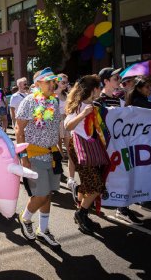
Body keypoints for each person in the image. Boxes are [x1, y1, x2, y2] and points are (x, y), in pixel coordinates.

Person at [15, 68, 62, 247]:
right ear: (37, 84)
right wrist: (23, 156)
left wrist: (58, 148)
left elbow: (53, 128)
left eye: (53, 81)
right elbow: (19, 129)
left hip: (51, 154)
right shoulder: (29, 101)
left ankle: (43, 230)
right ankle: (25, 218)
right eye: (48, 82)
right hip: (34, 154)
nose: (52, 85)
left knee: (47, 194)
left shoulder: (54, 102)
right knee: (41, 194)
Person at [94, 67, 143, 225]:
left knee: (126, 175)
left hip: (121, 146)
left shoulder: (120, 100)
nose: (118, 81)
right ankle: (90, 205)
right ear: (106, 81)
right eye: (115, 79)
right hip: (105, 148)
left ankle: (122, 207)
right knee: (105, 178)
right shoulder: (97, 102)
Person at [65, 75, 107, 234]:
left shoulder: (94, 104)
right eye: (99, 87)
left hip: (90, 147)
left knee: (88, 182)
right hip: (79, 147)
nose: (100, 90)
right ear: (93, 89)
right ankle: (81, 213)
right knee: (96, 185)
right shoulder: (78, 106)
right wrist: (82, 114)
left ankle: (83, 213)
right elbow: (68, 126)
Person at [125, 76, 151, 215]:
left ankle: (143, 198)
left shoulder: (141, 100)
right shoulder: (139, 102)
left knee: (145, 170)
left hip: (144, 142)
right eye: (147, 87)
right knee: (147, 170)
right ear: (138, 88)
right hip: (141, 143)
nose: (150, 90)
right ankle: (146, 201)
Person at [55, 73, 76, 191]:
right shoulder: (51, 96)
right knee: (57, 149)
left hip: (66, 122)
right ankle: (59, 171)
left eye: (66, 82)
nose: (65, 84)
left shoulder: (68, 95)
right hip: (55, 123)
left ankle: (71, 178)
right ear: (57, 82)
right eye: (63, 82)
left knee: (70, 150)